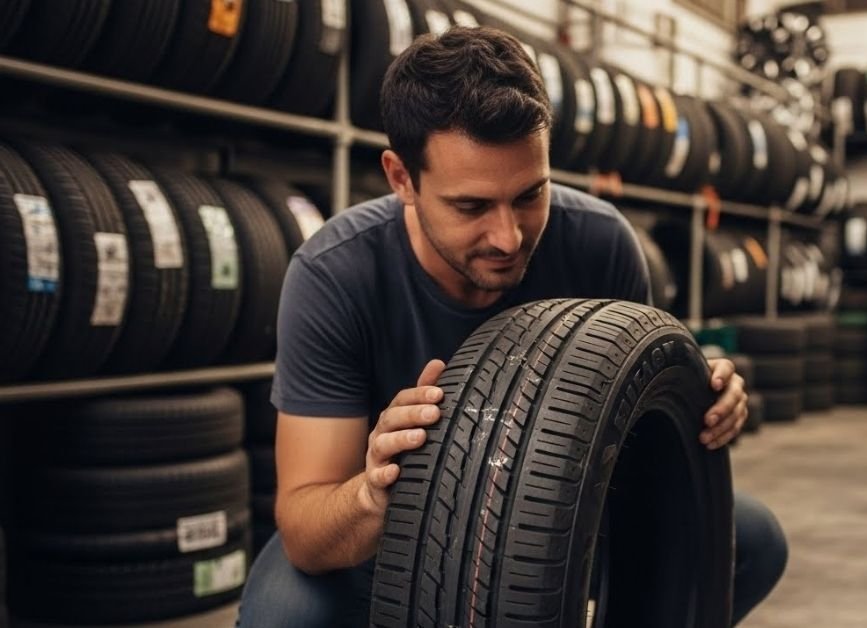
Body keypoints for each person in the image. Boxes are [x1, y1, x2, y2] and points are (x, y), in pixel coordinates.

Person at [237, 26, 787, 626]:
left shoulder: (601, 244)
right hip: (402, 535)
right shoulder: (333, 275)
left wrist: (697, 407)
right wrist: (372, 493)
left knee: (749, 540)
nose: (508, 237)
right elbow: (305, 529)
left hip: (560, 511)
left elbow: (643, 452)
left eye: (530, 194)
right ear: (401, 179)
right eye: (471, 206)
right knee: (283, 615)